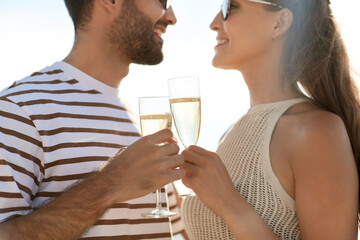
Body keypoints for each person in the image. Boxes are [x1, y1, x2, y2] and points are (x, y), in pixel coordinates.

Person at [0, 0, 187, 239]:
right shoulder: (18, 110)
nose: (171, 17)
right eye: (162, 1)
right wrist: (111, 183)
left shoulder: (143, 119)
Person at [180, 0, 360, 239]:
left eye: (230, 6)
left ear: (280, 22)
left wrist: (232, 206)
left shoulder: (318, 131)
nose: (214, 23)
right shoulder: (231, 133)